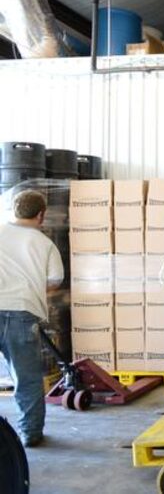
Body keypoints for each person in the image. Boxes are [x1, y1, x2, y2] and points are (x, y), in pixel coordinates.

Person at [0, 190, 64, 447]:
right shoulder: (44, 244)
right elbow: (55, 280)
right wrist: (34, 287)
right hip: (22, 314)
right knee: (27, 378)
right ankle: (30, 434)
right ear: (41, 214)